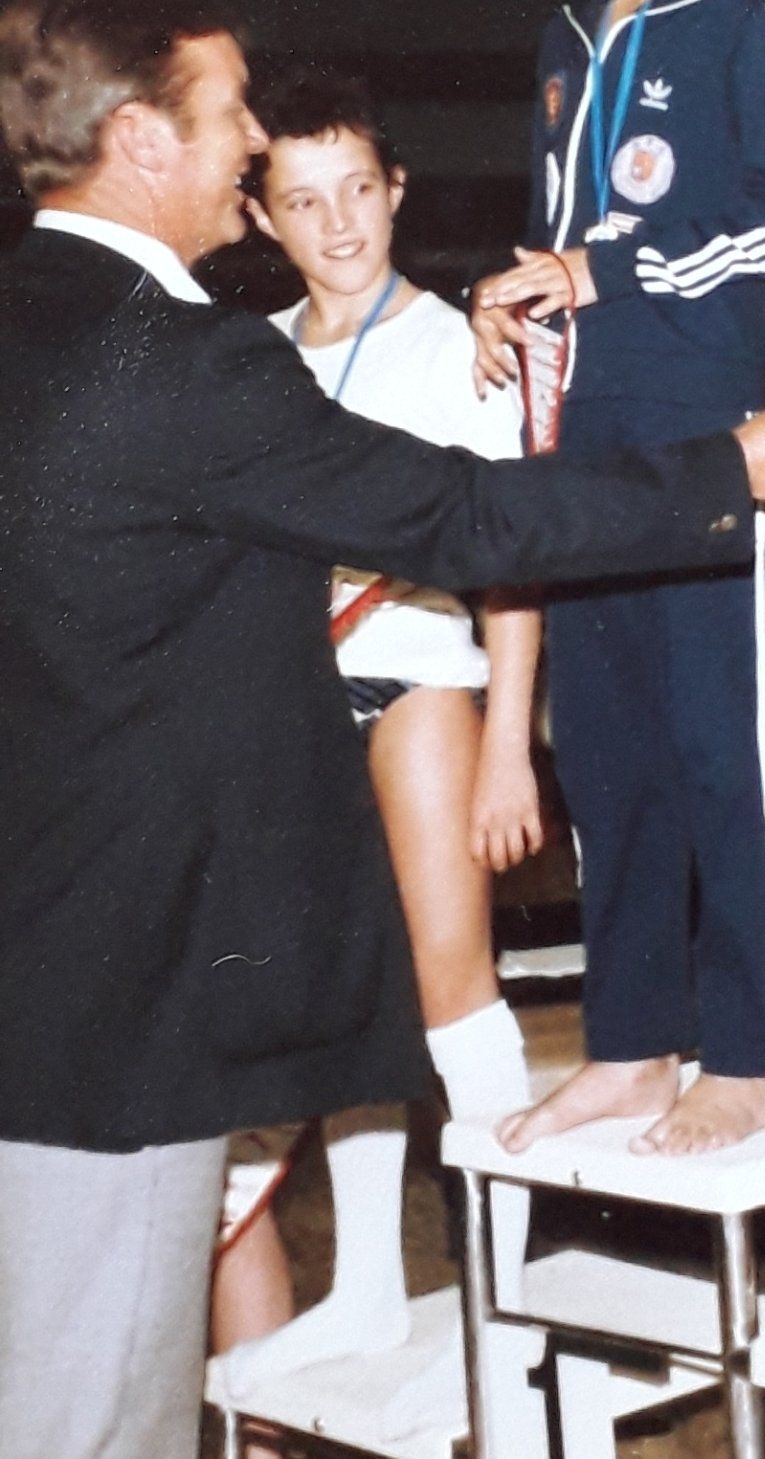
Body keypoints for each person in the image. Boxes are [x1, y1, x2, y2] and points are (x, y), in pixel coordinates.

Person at [0, 0, 765, 1459]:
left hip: (40, 958)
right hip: (129, 1003)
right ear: (142, 137)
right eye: (232, 115)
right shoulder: (179, 357)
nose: (254, 143)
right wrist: (737, 464)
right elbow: (463, 517)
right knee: (94, 1420)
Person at [469, 0, 765, 1160]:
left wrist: (608, 270)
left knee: (714, 736)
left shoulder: (745, 10)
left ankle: (751, 1051)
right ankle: (631, 1042)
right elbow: (563, 236)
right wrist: (521, 304)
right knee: (607, 738)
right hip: (586, 425)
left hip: (704, 425)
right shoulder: (569, 33)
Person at [209, 69, 544, 1439]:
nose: (339, 222)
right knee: (344, 1000)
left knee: (452, 995)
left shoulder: (461, 347)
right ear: (260, 216)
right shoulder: (249, 357)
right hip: (289, 706)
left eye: (359, 188)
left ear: (398, 189)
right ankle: (365, 1289)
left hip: (421, 683)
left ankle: (510, 1300)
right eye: (303, 200)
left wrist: (510, 743)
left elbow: (513, 556)